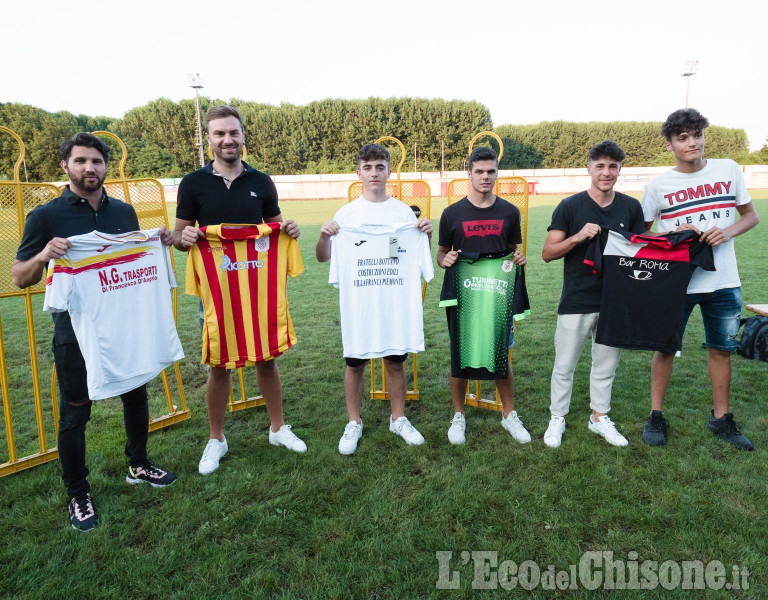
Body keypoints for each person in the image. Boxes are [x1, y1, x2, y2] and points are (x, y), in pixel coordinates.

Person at [12, 133, 177, 532]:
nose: (90, 168)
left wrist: (161, 243)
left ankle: (138, 464)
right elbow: (20, 277)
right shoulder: (46, 216)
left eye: (96, 162)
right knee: (75, 412)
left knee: (136, 394)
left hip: (125, 322)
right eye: (81, 161)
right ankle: (78, 492)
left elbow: (137, 258)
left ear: (105, 166)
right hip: (76, 330)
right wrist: (43, 256)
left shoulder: (125, 212)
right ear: (65, 166)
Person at [173, 106, 306, 474]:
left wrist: (289, 229)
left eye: (233, 133)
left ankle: (278, 428)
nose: (227, 140)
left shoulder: (262, 181)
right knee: (219, 364)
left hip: (257, 284)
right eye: (219, 134)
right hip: (217, 289)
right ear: (209, 139)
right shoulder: (192, 183)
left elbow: (275, 226)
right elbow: (177, 235)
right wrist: (183, 237)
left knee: (266, 357)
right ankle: (216, 438)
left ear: (243, 135)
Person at [641, 108, 759, 450]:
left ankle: (721, 419)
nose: (692, 143)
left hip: (724, 281)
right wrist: (672, 232)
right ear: (669, 145)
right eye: (683, 138)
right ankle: (656, 415)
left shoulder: (728, 169)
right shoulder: (658, 185)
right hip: (677, 283)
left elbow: (750, 216)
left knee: (722, 350)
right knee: (665, 348)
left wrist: (727, 231)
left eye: (697, 135)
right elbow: (642, 236)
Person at [316, 144, 433, 454]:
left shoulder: (403, 213)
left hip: (392, 303)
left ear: (388, 171)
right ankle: (353, 422)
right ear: (359, 173)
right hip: (360, 306)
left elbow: (407, 256)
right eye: (368, 168)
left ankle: (398, 418)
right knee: (355, 364)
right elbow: (324, 258)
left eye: (380, 167)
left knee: (396, 361)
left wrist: (425, 235)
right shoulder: (347, 214)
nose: (374, 173)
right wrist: (325, 236)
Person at [541, 140, 644, 448]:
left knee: (606, 366)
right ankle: (557, 417)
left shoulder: (630, 207)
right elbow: (547, 252)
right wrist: (577, 237)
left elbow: (641, 250)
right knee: (564, 366)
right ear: (589, 169)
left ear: (619, 169)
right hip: (577, 298)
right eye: (600, 166)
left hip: (614, 301)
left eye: (613, 166)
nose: (606, 172)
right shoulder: (570, 206)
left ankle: (598, 418)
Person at [436, 147, 528, 445]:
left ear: (496, 173)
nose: (485, 176)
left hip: (498, 294)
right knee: (460, 354)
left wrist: (520, 259)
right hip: (464, 295)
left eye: (491, 171)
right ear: (469, 174)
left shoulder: (509, 212)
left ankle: (509, 414)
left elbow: (514, 249)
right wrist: (445, 260)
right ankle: (459, 415)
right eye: (480, 171)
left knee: (500, 350)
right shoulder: (451, 213)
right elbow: (441, 253)